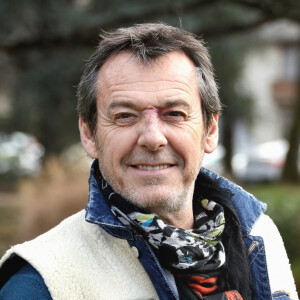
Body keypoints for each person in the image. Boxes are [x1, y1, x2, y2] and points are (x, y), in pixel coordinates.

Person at [0, 23, 298, 300]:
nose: (153, 138)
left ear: (210, 130)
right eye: (125, 116)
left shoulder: (260, 236)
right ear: (89, 134)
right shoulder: (41, 284)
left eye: (174, 114)